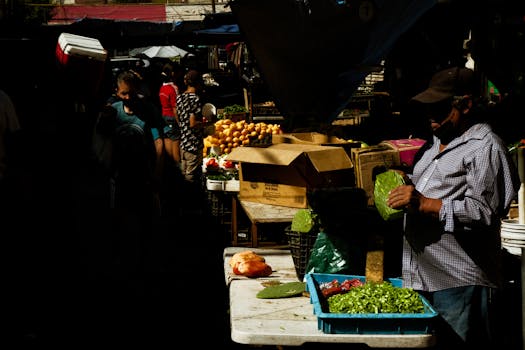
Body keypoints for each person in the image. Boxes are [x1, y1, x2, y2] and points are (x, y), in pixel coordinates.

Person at [386, 66, 520, 349]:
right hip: (423, 277)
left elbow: (483, 211)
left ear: (467, 104)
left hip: (459, 282)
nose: (431, 117)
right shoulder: (434, 144)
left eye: (440, 108)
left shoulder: (485, 148)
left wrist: (424, 203)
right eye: (428, 108)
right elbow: (433, 188)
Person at [177, 69, 204, 187]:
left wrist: (183, 127)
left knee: (183, 174)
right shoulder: (195, 99)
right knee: (190, 177)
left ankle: (183, 200)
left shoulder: (180, 97)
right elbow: (193, 124)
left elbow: (179, 117)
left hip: (183, 143)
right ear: (198, 83)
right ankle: (190, 200)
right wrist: (207, 123)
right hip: (193, 144)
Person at [159, 62, 182, 166]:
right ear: (173, 73)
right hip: (172, 118)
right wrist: (180, 123)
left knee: (167, 140)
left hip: (163, 117)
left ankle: (169, 168)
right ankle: (177, 170)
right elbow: (175, 108)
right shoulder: (173, 88)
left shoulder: (162, 87)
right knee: (175, 143)